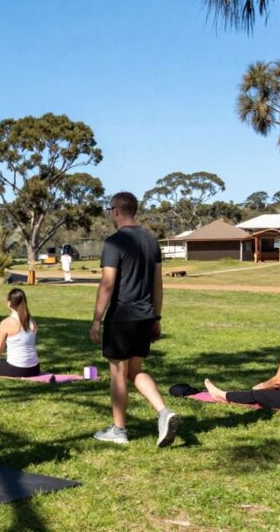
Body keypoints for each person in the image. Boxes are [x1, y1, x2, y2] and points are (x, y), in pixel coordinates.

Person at [90, 191, 179, 447]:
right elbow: (158, 284)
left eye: (110, 210)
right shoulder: (151, 240)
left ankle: (119, 430)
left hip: (121, 317)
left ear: (116, 211)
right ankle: (164, 412)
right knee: (134, 371)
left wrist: (97, 319)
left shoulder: (114, 242)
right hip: (145, 316)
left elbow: (107, 283)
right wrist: (156, 317)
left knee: (118, 373)